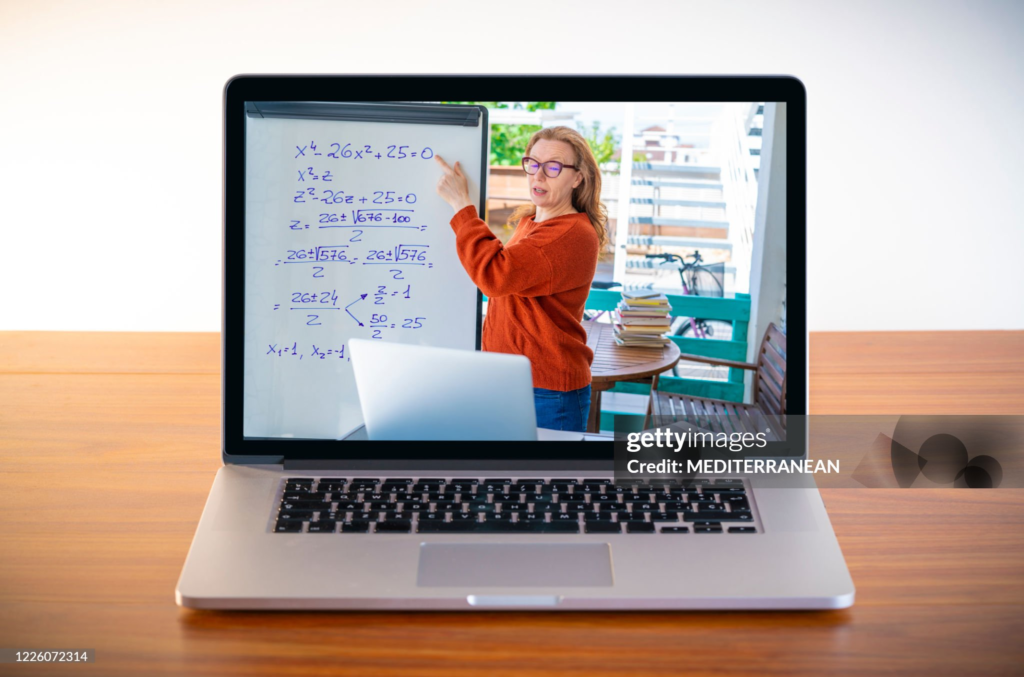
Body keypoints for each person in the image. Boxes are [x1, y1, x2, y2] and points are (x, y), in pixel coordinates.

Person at [434, 126, 608, 432]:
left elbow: (495, 276)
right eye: (533, 163)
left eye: (553, 167)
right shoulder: (531, 222)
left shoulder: (571, 233)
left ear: (577, 178)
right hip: (512, 380)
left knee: (543, 480)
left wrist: (462, 206)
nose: (538, 176)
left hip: (546, 391)